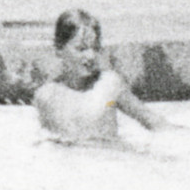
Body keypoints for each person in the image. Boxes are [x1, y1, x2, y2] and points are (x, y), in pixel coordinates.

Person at [36, 8, 161, 145]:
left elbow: (155, 123)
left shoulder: (109, 84)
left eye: (95, 48)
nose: (90, 56)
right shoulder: (46, 96)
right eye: (81, 49)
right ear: (59, 49)